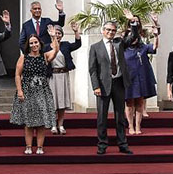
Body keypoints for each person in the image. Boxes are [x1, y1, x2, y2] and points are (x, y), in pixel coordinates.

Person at [88, 10, 138, 155]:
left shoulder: (119, 43)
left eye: (113, 30)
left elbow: (133, 37)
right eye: (108, 30)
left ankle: (122, 144)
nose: (111, 32)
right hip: (103, 85)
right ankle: (102, 145)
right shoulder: (95, 47)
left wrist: (132, 21)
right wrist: (95, 86)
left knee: (120, 117)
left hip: (119, 83)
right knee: (102, 117)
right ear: (103, 31)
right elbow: (92, 69)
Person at [10, 28, 59, 154]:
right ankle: (28, 146)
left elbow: (56, 50)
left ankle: (40, 147)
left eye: (36, 42)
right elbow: (17, 75)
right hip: (27, 90)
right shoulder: (23, 57)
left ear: (40, 43)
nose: (34, 45)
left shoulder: (45, 56)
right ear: (28, 45)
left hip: (42, 90)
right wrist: (19, 91)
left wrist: (53, 37)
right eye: (31, 43)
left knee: (41, 121)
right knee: (29, 121)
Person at [124, 14, 159, 135]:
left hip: (141, 78)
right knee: (129, 103)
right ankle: (130, 126)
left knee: (139, 102)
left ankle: (138, 126)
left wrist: (156, 36)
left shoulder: (142, 47)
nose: (133, 38)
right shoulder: (123, 47)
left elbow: (154, 47)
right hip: (129, 78)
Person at [48, 22, 82, 135]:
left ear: (61, 35)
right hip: (51, 76)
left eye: (59, 33)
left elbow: (77, 44)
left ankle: (60, 125)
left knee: (61, 102)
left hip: (63, 75)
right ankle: (53, 124)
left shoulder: (66, 45)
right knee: (52, 101)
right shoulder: (46, 47)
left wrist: (76, 32)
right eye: (55, 33)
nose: (57, 35)